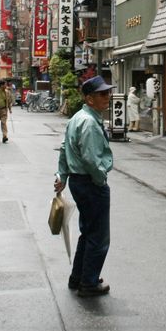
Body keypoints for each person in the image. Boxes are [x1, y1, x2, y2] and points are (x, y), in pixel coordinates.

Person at [54, 76, 115, 297]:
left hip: (79, 181)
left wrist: (62, 175)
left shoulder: (77, 118)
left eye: (108, 93)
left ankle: (78, 277)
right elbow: (91, 159)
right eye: (102, 94)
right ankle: (88, 283)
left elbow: (63, 148)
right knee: (98, 235)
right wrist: (100, 179)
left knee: (88, 231)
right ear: (89, 99)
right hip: (89, 182)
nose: (107, 97)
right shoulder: (89, 122)